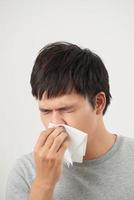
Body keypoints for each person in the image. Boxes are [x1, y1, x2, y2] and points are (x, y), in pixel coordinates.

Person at [6, 42, 134, 200]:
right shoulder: (25, 172)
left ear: (99, 103)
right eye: (45, 111)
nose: (55, 122)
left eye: (66, 109)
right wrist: (43, 184)